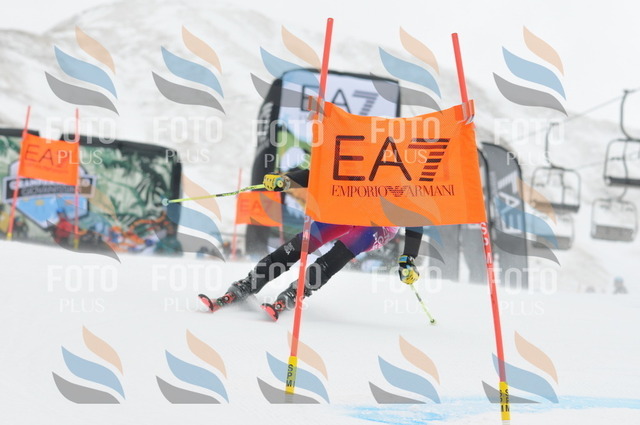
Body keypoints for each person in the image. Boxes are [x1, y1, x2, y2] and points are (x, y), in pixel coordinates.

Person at [199, 169, 423, 319]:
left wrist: (408, 258)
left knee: (344, 249)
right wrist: (286, 180)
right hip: (350, 210)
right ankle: (248, 284)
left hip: (380, 225)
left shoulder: (403, 173)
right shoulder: (360, 154)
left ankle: (296, 292)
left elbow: (414, 217)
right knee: (302, 244)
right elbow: (319, 173)